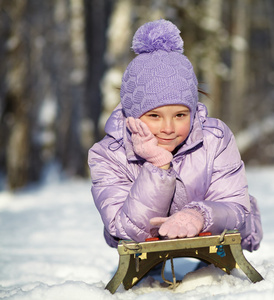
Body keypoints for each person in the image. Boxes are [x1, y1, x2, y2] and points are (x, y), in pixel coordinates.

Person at [88, 19, 262, 252]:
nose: (168, 128)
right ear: (132, 115)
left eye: (180, 115)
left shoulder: (215, 138)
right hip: (144, 240)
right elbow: (125, 229)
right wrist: (157, 167)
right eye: (154, 116)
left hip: (214, 230)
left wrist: (199, 215)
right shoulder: (108, 154)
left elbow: (234, 207)